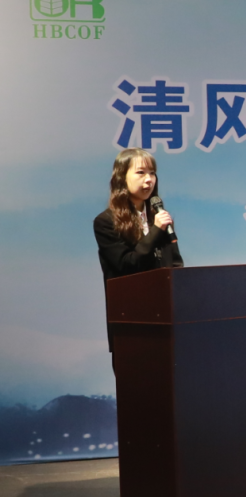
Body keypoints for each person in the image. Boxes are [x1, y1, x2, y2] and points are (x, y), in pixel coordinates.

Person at [93, 148, 183, 351]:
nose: (149, 180)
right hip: (131, 321)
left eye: (152, 173)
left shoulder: (159, 217)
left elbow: (175, 264)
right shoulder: (106, 222)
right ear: (121, 177)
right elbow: (127, 264)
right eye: (141, 173)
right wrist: (156, 230)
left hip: (167, 317)